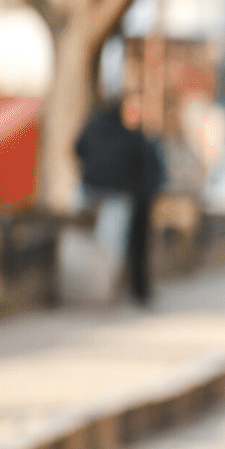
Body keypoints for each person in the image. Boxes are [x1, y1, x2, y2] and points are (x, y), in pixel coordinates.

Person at [74, 93, 165, 307]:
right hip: (117, 195)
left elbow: (77, 149)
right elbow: (141, 165)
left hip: (89, 190)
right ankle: (104, 288)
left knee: (86, 238)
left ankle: (89, 287)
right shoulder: (129, 135)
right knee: (111, 245)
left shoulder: (92, 127)